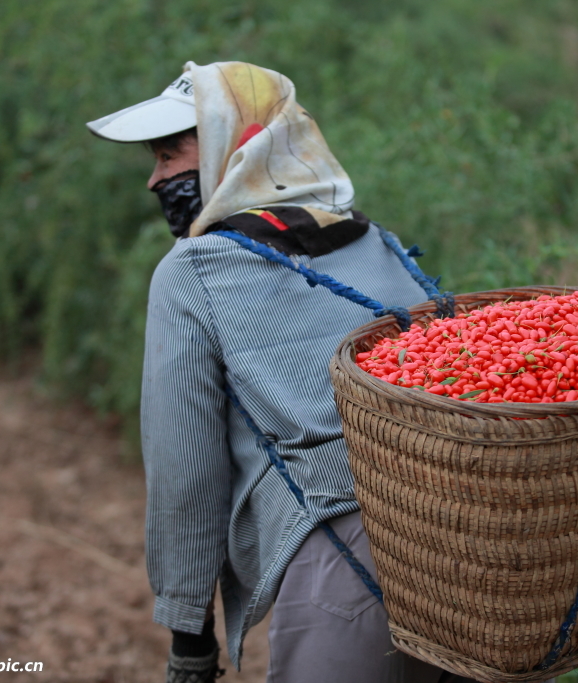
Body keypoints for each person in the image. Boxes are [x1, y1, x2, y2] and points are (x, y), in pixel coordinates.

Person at [87, 61, 465, 683]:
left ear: (234, 146)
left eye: (168, 154)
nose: (154, 179)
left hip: (345, 567)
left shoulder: (191, 274)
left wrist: (190, 640)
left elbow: (184, 470)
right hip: (466, 547)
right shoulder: (381, 245)